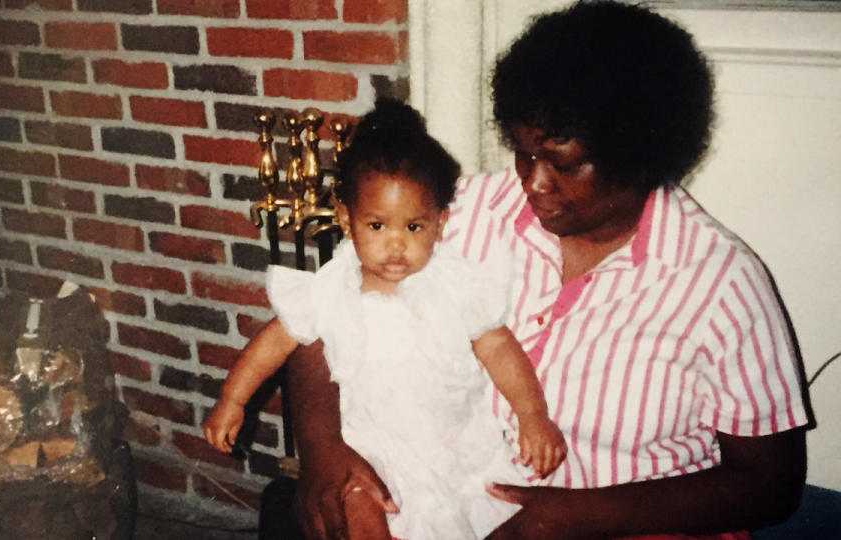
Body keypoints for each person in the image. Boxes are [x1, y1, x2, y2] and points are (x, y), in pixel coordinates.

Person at [286, 1, 810, 539]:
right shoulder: (458, 213)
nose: (533, 183)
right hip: (446, 508)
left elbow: (770, 483)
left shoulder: (719, 282)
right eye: (522, 152)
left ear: (640, 153)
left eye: (562, 163)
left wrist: (566, 518)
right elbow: (317, 323)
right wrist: (322, 445)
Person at [204, 99, 567, 539]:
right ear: (346, 220)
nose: (396, 246)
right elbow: (275, 341)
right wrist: (233, 399)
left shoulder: (454, 281)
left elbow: (497, 345)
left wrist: (532, 414)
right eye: (377, 227)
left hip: (453, 443)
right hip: (372, 446)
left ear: (440, 223)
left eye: (413, 228)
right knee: (365, 517)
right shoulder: (330, 287)